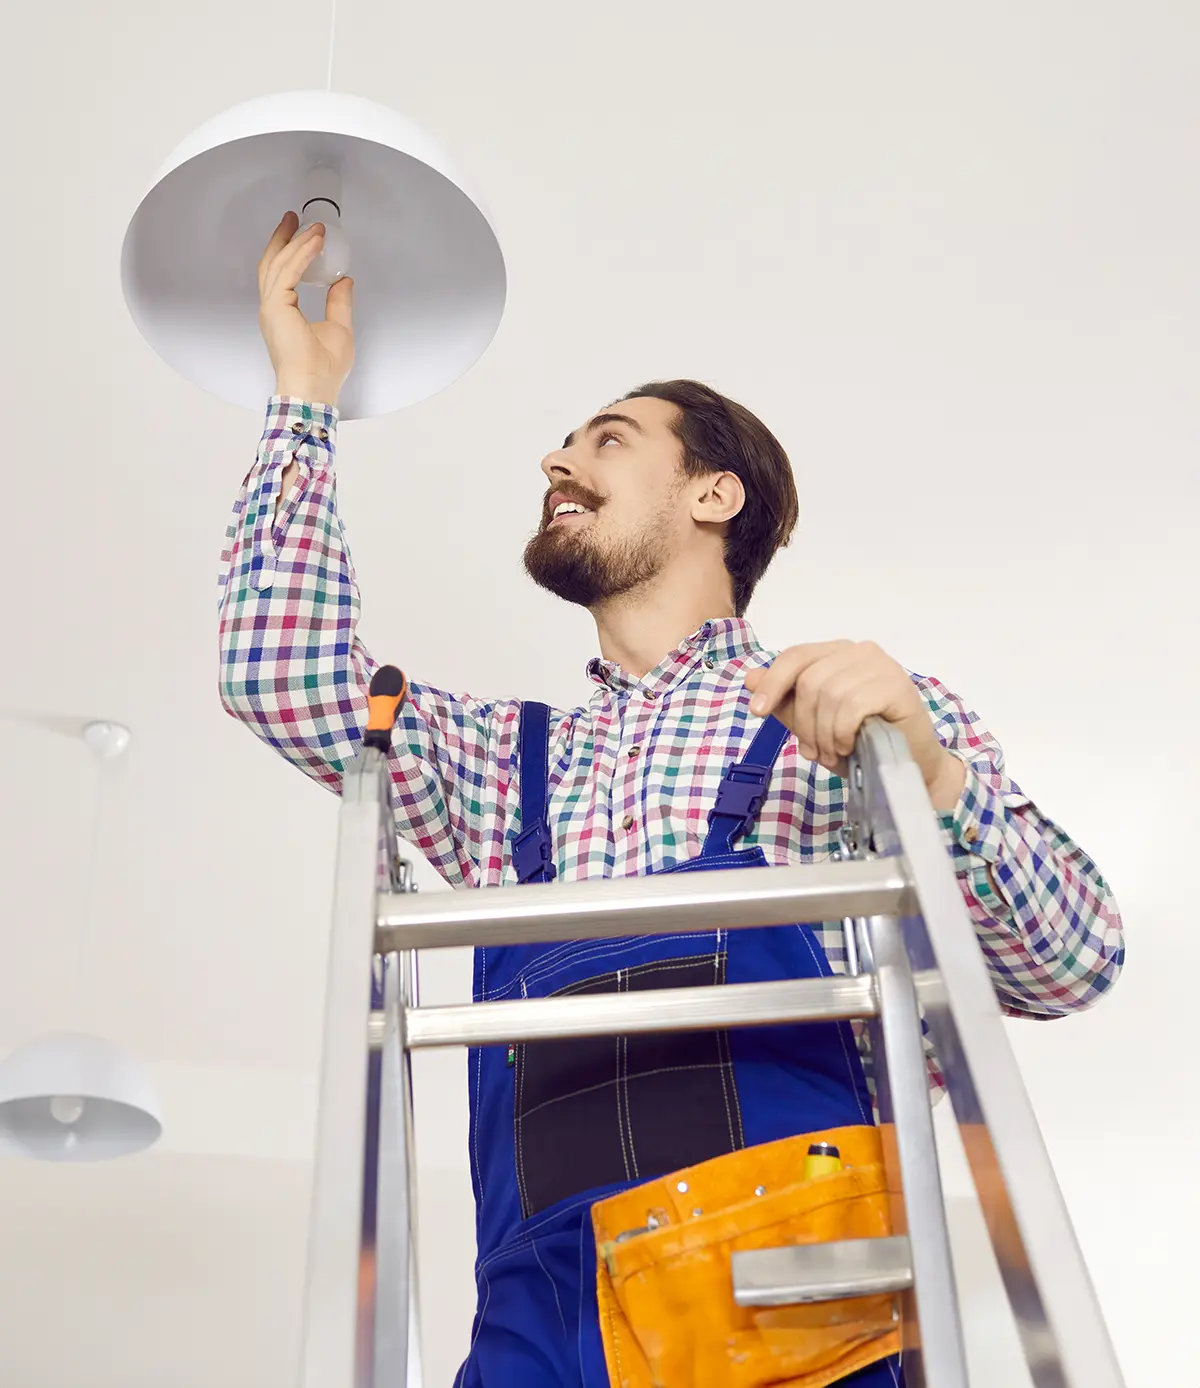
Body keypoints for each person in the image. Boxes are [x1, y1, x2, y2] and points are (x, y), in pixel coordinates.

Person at [218, 213, 1125, 1387]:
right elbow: (276, 675)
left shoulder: (839, 715)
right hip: (548, 1334)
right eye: (562, 444)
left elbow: (1072, 959)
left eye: (605, 440)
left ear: (712, 494)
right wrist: (304, 396)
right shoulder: (506, 768)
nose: (557, 462)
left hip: (800, 1314)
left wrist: (935, 772)